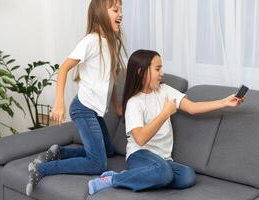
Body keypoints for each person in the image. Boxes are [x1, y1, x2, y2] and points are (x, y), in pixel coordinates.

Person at [88, 49, 245, 194]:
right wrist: (165, 114)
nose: (162, 73)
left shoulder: (164, 90)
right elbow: (140, 139)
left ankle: (141, 176)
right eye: (157, 69)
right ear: (141, 72)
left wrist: (224, 102)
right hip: (139, 155)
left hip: (163, 160)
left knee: (187, 176)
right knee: (163, 172)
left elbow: (193, 108)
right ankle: (113, 179)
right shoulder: (134, 103)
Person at [26, 0, 126, 196]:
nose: (120, 13)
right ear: (100, 13)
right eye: (115, 9)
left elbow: (110, 80)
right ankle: (40, 169)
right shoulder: (91, 40)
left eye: (121, 9)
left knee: (109, 151)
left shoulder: (111, 43)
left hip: (95, 111)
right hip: (83, 108)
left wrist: (117, 108)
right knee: (98, 163)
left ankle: (59, 152)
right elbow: (64, 68)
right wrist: (59, 102)